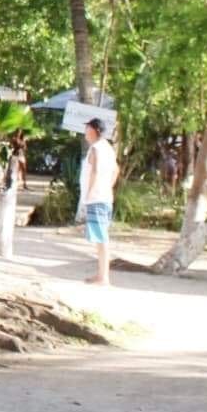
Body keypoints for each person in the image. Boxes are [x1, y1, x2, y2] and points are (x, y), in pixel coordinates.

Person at [78, 118, 119, 286]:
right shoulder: (107, 147)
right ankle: (101, 274)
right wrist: (107, 187)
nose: (85, 132)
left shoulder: (96, 148)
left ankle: (104, 277)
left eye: (87, 128)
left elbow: (94, 171)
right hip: (103, 196)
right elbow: (116, 170)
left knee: (101, 238)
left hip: (96, 198)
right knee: (100, 238)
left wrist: (90, 193)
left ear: (94, 130)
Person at [0, 137, 26, 259]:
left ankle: (3, 247)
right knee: (5, 219)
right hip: (11, 189)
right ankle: (3, 247)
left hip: (10, 189)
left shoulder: (15, 159)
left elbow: (12, 175)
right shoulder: (16, 158)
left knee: (4, 219)